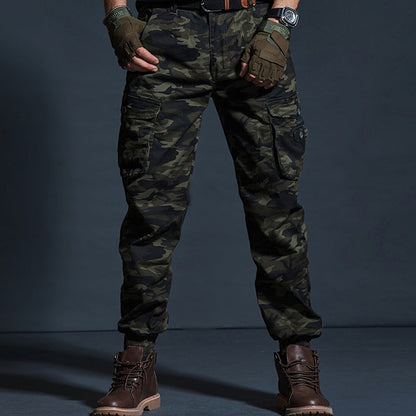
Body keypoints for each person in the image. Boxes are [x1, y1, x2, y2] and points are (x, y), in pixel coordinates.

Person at [94, 1, 334, 415]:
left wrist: (280, 23)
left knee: (276, 209)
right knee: (150, 211)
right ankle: (137, 360)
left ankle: (297, 359)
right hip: (166, 34)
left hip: (252, 30)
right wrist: (116, 15)